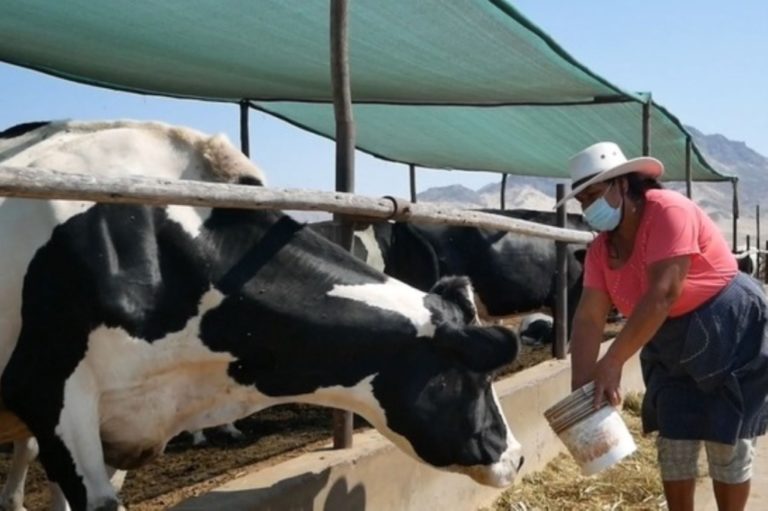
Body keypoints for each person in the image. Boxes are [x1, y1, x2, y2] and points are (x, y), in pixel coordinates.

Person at [555, 141, 768, 511]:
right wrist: (583, 389)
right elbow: (589, 318)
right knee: (675, 439)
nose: (589, 208)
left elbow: (663, 293)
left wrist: (612, 362)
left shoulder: (669, 212)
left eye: (594, 195)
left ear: (622, 184)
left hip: (728, 328)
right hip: (663, 337)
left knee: (727, 442)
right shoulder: (601, 252)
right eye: (582, 201)